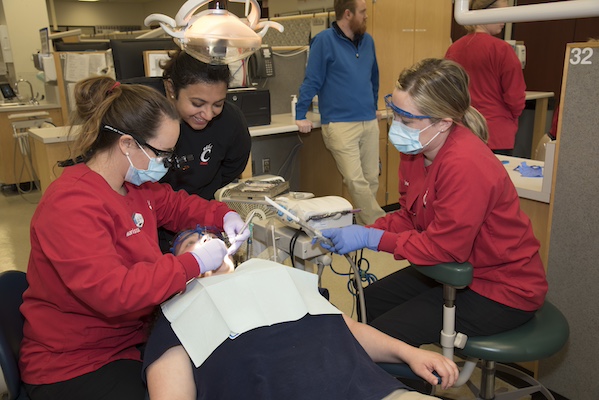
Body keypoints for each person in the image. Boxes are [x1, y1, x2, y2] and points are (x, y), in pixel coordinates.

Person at [19, 76, 250, 400]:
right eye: (162, 154)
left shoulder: (136, 186)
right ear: (127, 144)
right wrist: (192, 263)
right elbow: (114, 292)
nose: (166, 164)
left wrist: (223, 215)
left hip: (134, 339)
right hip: (75, 362)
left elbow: (178, 205)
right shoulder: (69, 205)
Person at [317, 58, 548, 347]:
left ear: (443, 122)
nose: (396, 125)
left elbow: (444, 248)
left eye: (407, 119)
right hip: (458, 271)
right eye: (394, 113)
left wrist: (372, 238)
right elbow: (411, 216)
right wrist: (365, 229)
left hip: (502, 288)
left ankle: (407, 388)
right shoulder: (417, 149)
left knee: (385, 337)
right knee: (370, 301)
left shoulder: (466, 165)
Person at [142, 227, 459, 400]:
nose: (206, 242)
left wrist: (410, 355)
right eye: (192, 244)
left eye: (210, 237)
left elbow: (344, 328)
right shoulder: (181, 311)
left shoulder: (275, 273)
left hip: (367, 390)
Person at [147, 49, 252, 253]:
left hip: (202, 215)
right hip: (149, 220)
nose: (207, 114)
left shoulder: (230, 123)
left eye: (217, 104)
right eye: (197, 103)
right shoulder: (146, 118)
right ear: (171, 88)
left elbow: (232, 168)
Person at [295, 0, 385, 225]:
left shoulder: (368, 41)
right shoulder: (324, 41)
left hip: (368, 120)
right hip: (340, 124)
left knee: (372, 178)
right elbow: (312, 80)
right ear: (347, 14)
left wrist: (372, 105)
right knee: (356, 181)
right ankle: (381, 224)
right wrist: (300, 113)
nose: (366, 16)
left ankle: (367, 227)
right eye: (362, 12)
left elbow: (373, 77)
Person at [444, 0, 526, 156]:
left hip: (462, 131)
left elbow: (448, 93)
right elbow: (515, 99)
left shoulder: (454, 49)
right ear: (484, 12)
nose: (505, 21)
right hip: (495, 135)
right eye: (502, 14)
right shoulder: (502, 50)